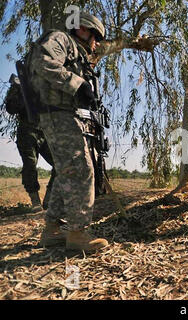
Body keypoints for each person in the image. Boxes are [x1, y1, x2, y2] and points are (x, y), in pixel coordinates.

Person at [28, 12, 108, 251]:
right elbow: (42, 63)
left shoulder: (76, 53)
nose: (96, 45)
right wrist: (77, 84)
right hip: (56, 114)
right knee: (81, 169)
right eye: (96, 38)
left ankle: (53, 229)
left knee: (67, 172)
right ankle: (77, 233)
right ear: (84, 30)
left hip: (63, 114)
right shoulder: (60, 39)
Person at [4, 75, 56, 212]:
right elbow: (10, 108)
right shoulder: (19, 84)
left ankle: (49, 199)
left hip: (45, 132)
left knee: (59, 163)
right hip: (27, 132)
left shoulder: (48, 83)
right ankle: (35, 202)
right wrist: (21, 91)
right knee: (30, 166)